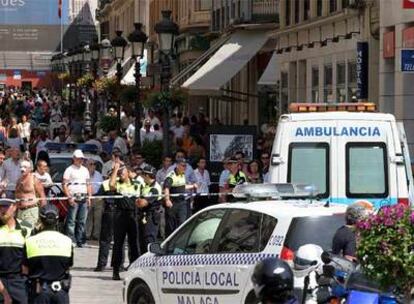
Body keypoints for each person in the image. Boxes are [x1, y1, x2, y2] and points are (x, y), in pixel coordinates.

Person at [23, 204, 73, 304]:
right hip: (61, 292)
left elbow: (25, 270)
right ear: (57, 220)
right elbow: (68, 267)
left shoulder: (30, 242)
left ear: (40, 220)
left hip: (39, 292)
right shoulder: (67, 241)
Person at [109, 162, 141, 280]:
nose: (121, 174)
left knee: (134, 244)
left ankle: (135, 269)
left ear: (128, 173)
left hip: (133, 215)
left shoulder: (136, 184)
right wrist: (115, 169)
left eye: (123, 172)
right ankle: (116, 270)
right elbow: (111, 185)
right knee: (118, 244)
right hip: (120, 215)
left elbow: (143, 183)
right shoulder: (118, 183)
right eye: (119, 173)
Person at [0, 198, 32, 304]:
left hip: (19, 281)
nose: (2, 209)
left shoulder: (27, 228)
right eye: (0, 206)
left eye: (5, 206)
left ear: (14, 207)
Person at [62, 150, 92, 247]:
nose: (80, 160)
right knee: (71, 220)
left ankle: (80, 240)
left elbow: (88, 184)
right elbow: (65, 184)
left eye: (81, 159)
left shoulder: (85, 170)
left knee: (82, 220)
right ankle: (71, 239)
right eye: (78, 158)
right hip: (74, 197)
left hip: (83, 196)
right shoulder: (69, 170)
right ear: (74, 158)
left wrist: (89, 197)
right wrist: (69, 197)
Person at [163, 159, 197, 237]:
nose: (185, 167)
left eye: (185, 166)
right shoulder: (171, 176)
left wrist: (192, 186)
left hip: (182, 202)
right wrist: (167, 200)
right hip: (173, 203)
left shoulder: (182, 174)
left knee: (182, 223)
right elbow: (166, 188)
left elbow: (181, 187)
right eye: (183, 165)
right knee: (171, 225)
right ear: (177, 165)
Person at [136, 166, 162, 255]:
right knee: (142, 241)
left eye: (143, 175)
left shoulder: (155, 188)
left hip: (151, 216)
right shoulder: (146, 186)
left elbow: (143, 203)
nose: (142, 177)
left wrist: (137, 200)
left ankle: (154, 261)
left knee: (150, 239)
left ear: (147, 175)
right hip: (144, 215)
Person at [15, 160, 46, 228]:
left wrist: (42, 215)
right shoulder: (19, 180)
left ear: (30, 169)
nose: (22, 169)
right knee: (21, 233)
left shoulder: (34, 179)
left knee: (29, 232)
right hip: (20, 211)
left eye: (25, 167)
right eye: (21, 167)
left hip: (31, 211)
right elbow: (16, 195)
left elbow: (42, 197)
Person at [85, 159, 103, 241]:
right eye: (90, 164)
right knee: (88, 217)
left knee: (98, 217)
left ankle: (96, 235)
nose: (92, 166)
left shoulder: (98, 174)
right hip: (87, 197)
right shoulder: (84, 174)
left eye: (94, 164)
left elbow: (101, 186)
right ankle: (87, 235)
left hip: (98, 197)